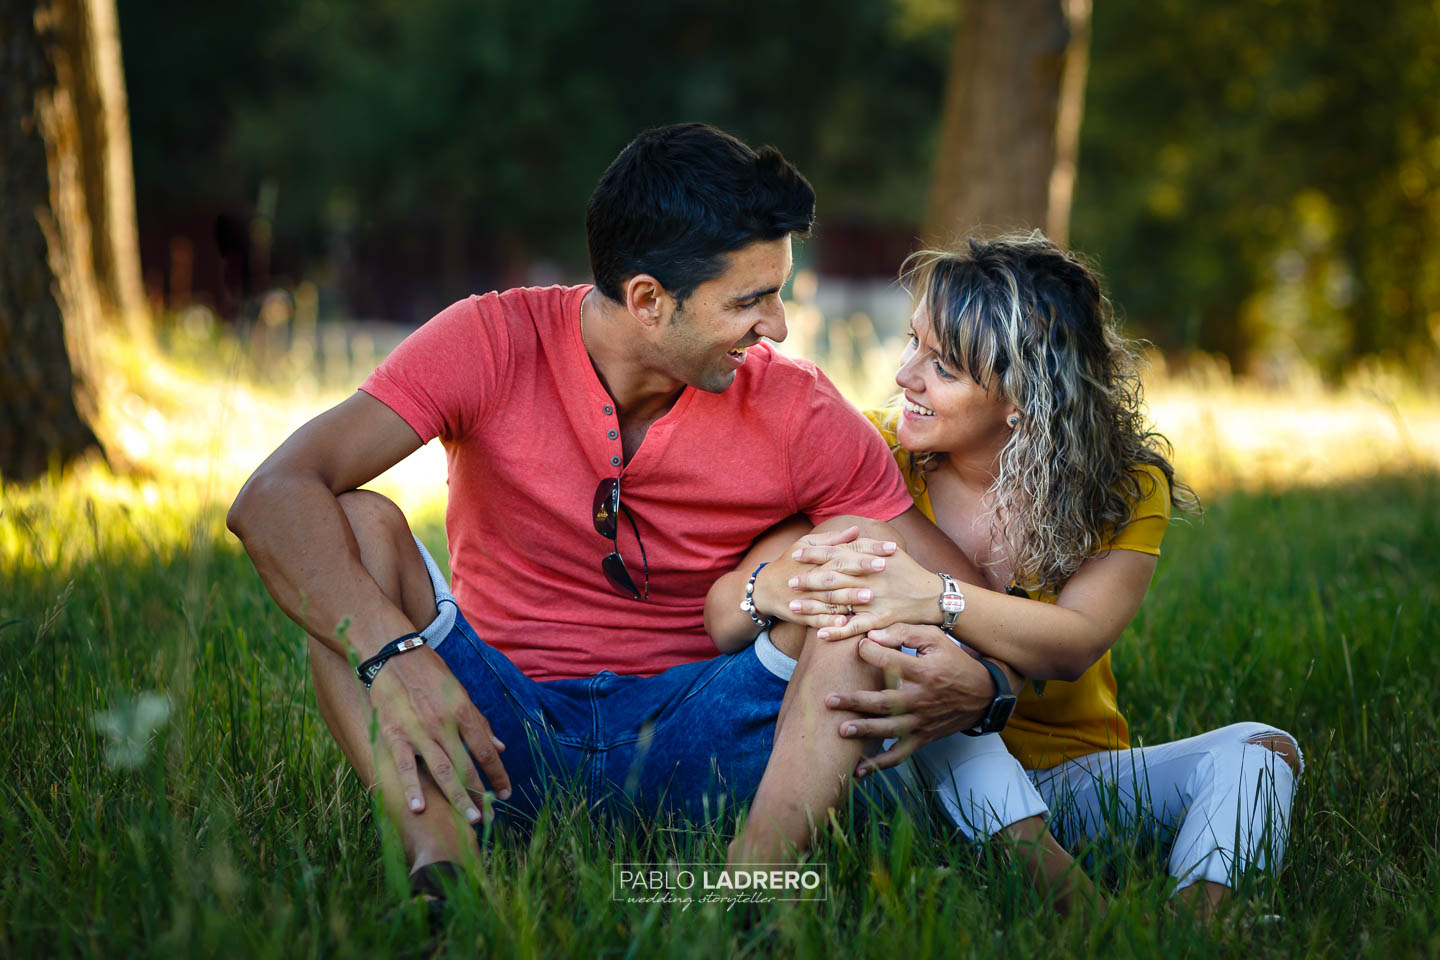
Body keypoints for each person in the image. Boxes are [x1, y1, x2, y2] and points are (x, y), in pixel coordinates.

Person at [225, 122, 989, 911]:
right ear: (649, 300)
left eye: (778, 292)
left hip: (709, 741)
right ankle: (445, 877)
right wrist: (392, 655)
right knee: (348, 526)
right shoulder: (489, 341)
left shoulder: (800, 409)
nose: (777, 327)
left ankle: (751, 892)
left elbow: (952, 589)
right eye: (750, 300)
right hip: (491, 730)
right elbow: (273, 496)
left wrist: (986, 679)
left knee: (851, 564)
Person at [717, 233, 1302, 918]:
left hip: (1075, 779)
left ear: (1022, 395)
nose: (906, 375)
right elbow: (728, 605)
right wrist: (782, 588)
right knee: (908, 653)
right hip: (913, 774)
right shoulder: (870, 455)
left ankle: (1193, 928)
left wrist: (937, 598)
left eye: (943, 367)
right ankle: (1085, 916)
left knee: (1262, 752)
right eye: (913, 343)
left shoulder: (1120, 485)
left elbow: (1077, 639)